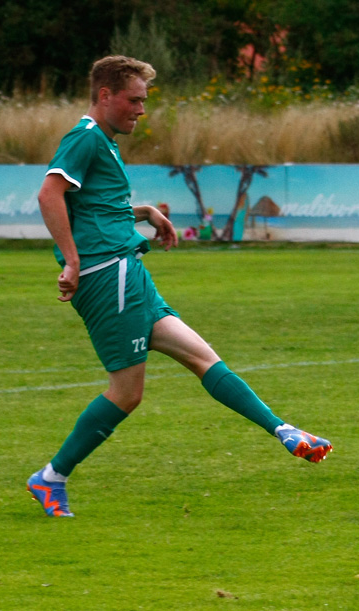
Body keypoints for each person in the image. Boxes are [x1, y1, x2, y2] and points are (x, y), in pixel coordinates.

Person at [28, 55, 332, 518]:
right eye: (134, 100)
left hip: (128, 269)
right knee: (127, 392)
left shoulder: (104, 143)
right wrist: (72, 260)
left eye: (144, 101)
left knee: (201, 355)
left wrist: (145, 211)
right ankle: (51, 478)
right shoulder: (86, 138)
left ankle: (285, 431)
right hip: (108, 273)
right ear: (105, 95)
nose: (141, 110)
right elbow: (50, 194)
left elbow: (93, 208)